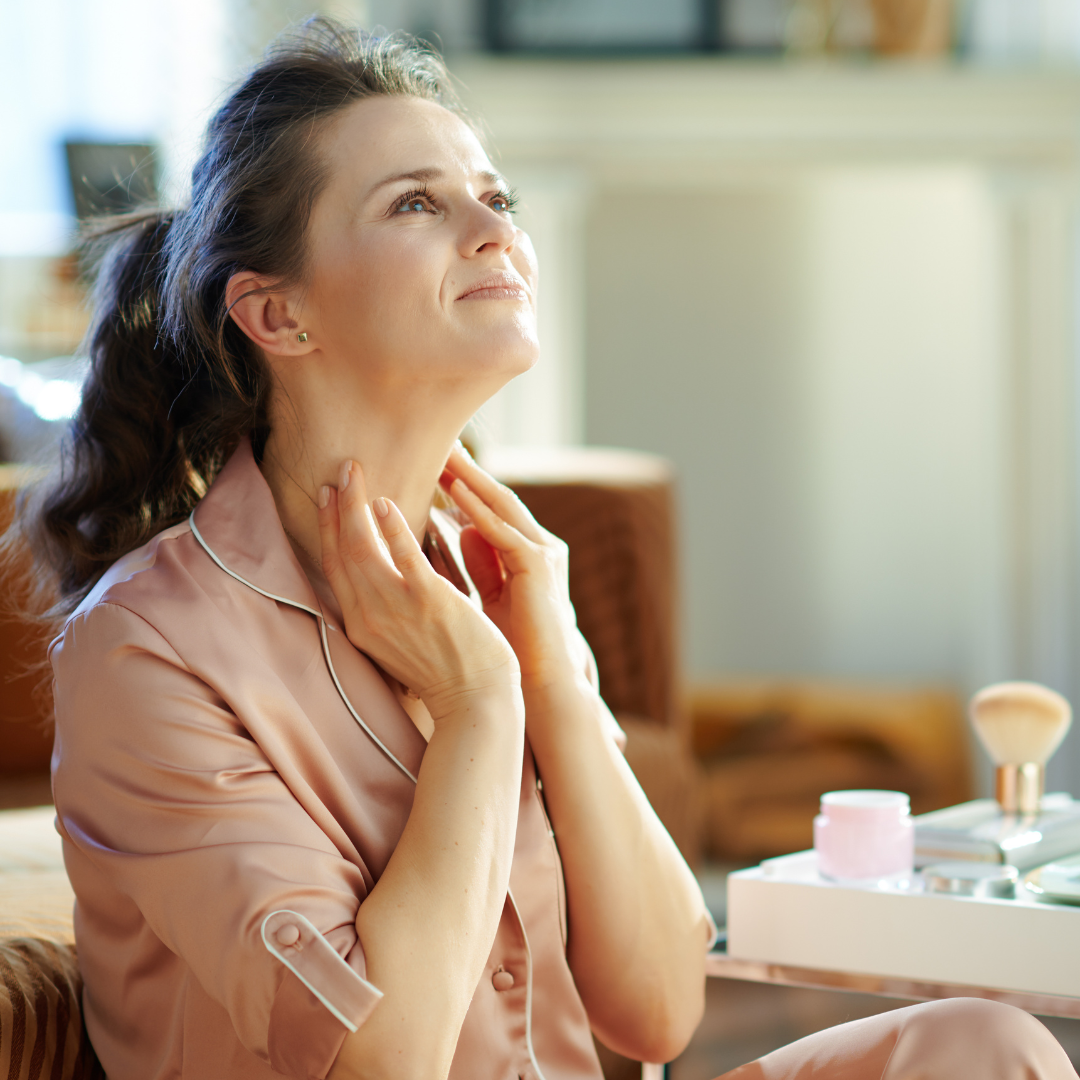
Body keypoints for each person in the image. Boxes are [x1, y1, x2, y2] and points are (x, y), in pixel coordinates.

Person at [16, 17, 1076, 1080]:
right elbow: (377, 1064)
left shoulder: (497, 580)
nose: (493, 227)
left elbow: (659, 1010)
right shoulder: (151, 646)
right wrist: (482, 703)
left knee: (985, 1044)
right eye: (418, 203)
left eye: (496, 197)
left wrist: (554, 676)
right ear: (278, 315)